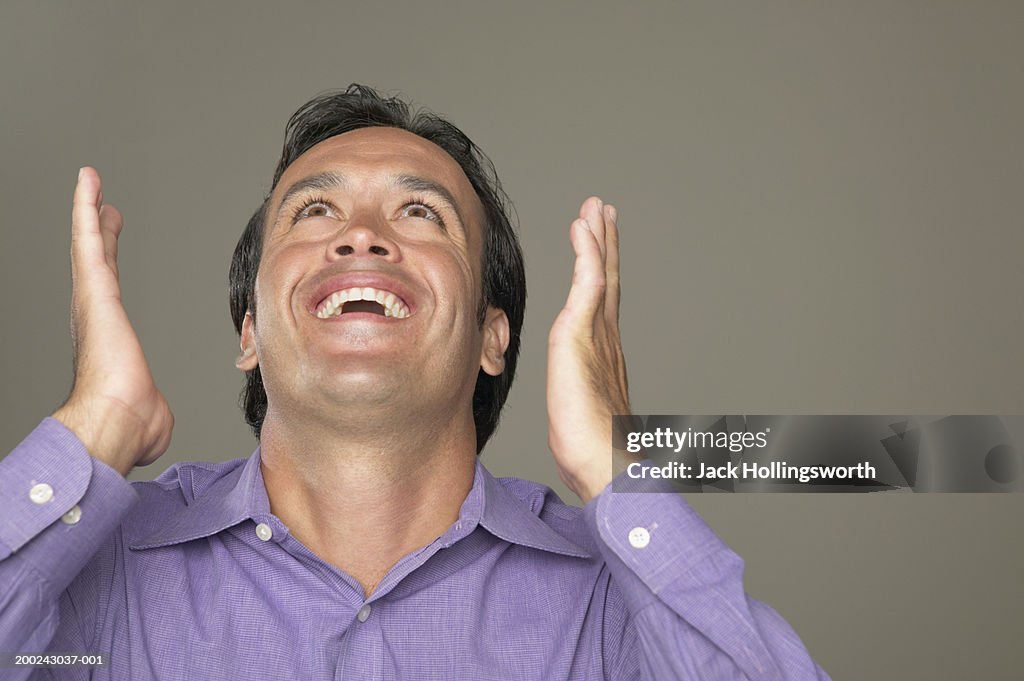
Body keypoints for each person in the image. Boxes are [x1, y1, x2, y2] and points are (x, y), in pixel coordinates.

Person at [0, 84, 830, 680]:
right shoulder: (88, 578)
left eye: (420, 213)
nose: (360, 236)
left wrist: (617, 471)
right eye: (314, 212)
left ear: (490, 339)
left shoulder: (619, 602)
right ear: (248, 331)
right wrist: (94, 426)